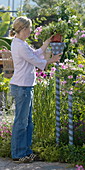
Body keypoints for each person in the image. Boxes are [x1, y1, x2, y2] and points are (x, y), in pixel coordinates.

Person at [9, 16, 61, 163]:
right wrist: (51, 60)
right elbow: (36, 61)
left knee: (28, 122)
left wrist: (45, 44)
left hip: (26, 86)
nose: (31, 31)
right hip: (22, 87)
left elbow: (35, 54)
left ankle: (26, 151)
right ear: (24, 29)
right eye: (29, 28)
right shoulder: (19, 45)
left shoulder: (21, 43)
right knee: (21, 122)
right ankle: (18, 154)